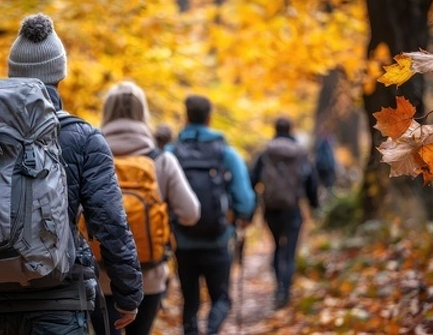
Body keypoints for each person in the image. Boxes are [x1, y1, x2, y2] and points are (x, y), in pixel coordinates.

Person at [0, 13, 144, 334]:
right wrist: (128, 294)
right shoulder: (82, 137)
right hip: (58, 297)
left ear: (12, 73)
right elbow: (109, 221)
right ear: (60, 75)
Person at [90, 81, 201, 335]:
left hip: (98, 277)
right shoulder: (161, 160)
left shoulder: (89, 157)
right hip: (148, 277)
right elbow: (191, 213)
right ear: (143, 114)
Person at [168, 94, 256, 335]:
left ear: (186, 117)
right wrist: (242, 215)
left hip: (183, 241)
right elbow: (245, 198)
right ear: (209, 118)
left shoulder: (171, 152)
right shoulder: (226, 153)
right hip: (217, 239)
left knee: (190, 302)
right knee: (221, 298)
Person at [250, 116, 319, 309]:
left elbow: (253, 179)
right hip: (293, 208)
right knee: (289, 251)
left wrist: (252, 206)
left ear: (275, 129)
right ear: (291, 130)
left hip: (271, 209)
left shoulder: (265, 153)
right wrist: (314, 205)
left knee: (276, 246)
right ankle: (284, 291)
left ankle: (278, 286)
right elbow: (311, 181)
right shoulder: (300, 153)